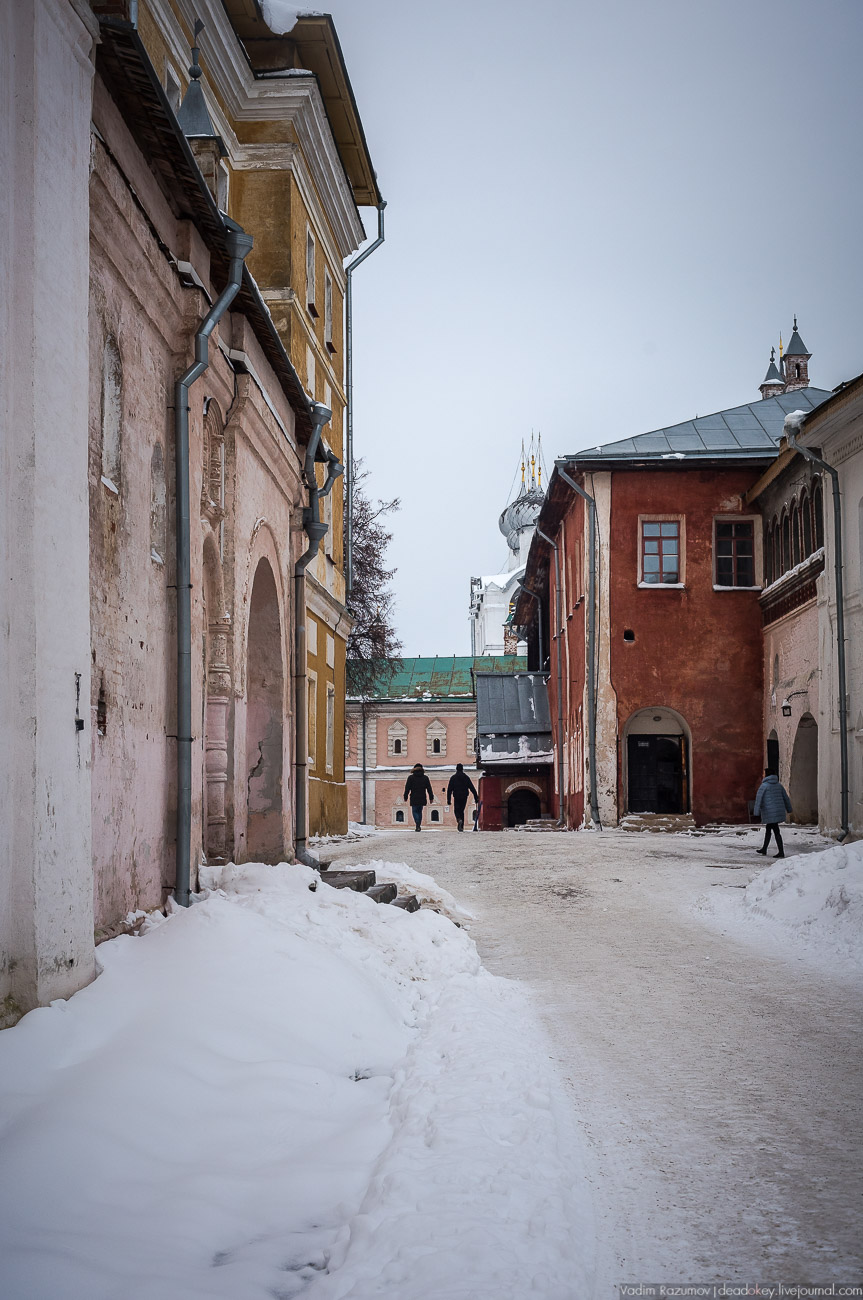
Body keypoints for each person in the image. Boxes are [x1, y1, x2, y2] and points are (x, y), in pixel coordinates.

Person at [753, 768, 792, 858]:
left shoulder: (764, 786)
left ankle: (780, 851)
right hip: (778, 811)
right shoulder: (779, 785)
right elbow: (786, 798)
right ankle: (764, 848)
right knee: (770, 829)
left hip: (769, 812)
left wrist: (756, 812)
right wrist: (789, 809)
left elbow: (759, 800)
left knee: (775, 830)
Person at [446, 762, 479, 832]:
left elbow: (449, 789)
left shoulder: (453, 778)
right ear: (462, 769)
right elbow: (472, 788)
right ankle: (462, 826)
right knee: (462, 811)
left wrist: (448, 799)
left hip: (457, 796)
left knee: (456, 810)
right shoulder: (466, 777)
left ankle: (459, 819)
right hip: (464, 796)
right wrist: (476, 797)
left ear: (456, 769)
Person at [403, 763, 434, 831]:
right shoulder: (425, 778)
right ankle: (418, 824)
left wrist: (405, 796)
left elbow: (407, 788)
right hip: (422, 797)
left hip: (414, 797)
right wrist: (431, 797)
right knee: (420, 811)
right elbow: (429, 788)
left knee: (414, 811)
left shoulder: (411, 778)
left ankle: (417, 823)